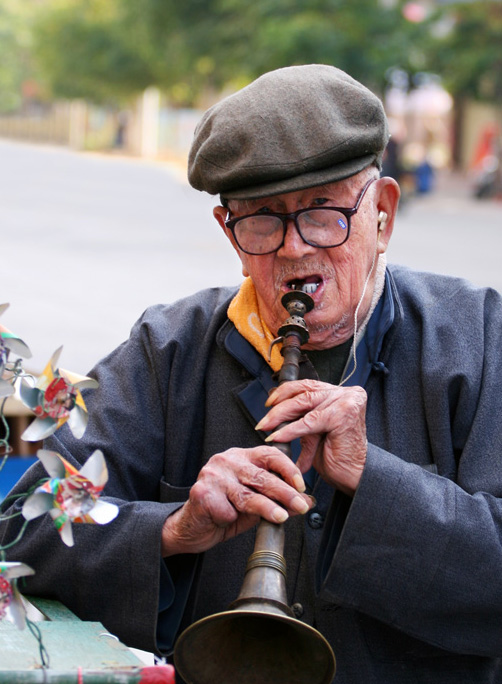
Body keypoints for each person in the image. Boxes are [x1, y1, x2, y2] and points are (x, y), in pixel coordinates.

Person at [2, 64, 502, 683]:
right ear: (231, 235)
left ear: (383, 216)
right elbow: (22, 515)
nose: (295, 248)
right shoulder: (168, 347)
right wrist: (176, 529)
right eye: (262, 219)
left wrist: (375, 481)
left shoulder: (481, 335)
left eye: (324, 213)